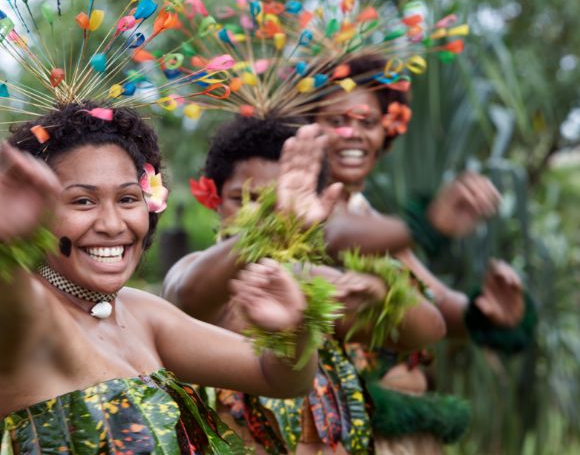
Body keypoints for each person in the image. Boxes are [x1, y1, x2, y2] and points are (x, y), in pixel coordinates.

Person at [0, 102, 320, 454]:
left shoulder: (143, 314)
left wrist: (295, 330)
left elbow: (278, 377)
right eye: (82, 201)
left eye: (127, 198)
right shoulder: (34, 316)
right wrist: (7, 243)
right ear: (37, 211)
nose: (112, 224)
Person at [164, 116, 447, 454]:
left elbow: (429, 328)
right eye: (244, 199)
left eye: (275, 201)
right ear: (214, 198)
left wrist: (381, 294)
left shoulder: (314, 280)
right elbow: (187, 293)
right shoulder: (198, 274)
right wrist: (276, 223)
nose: (258, 214)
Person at [313, 55, 533, 453]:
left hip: (406, 434)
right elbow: (336, 237)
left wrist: (487, 314)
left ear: (387, 131)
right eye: (337, 121)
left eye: (368, 122)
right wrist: (425, 225)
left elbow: (437, 302)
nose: (353, 134)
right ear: (309, 129)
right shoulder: (302, 209)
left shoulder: (371, 218)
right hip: (344, 432)